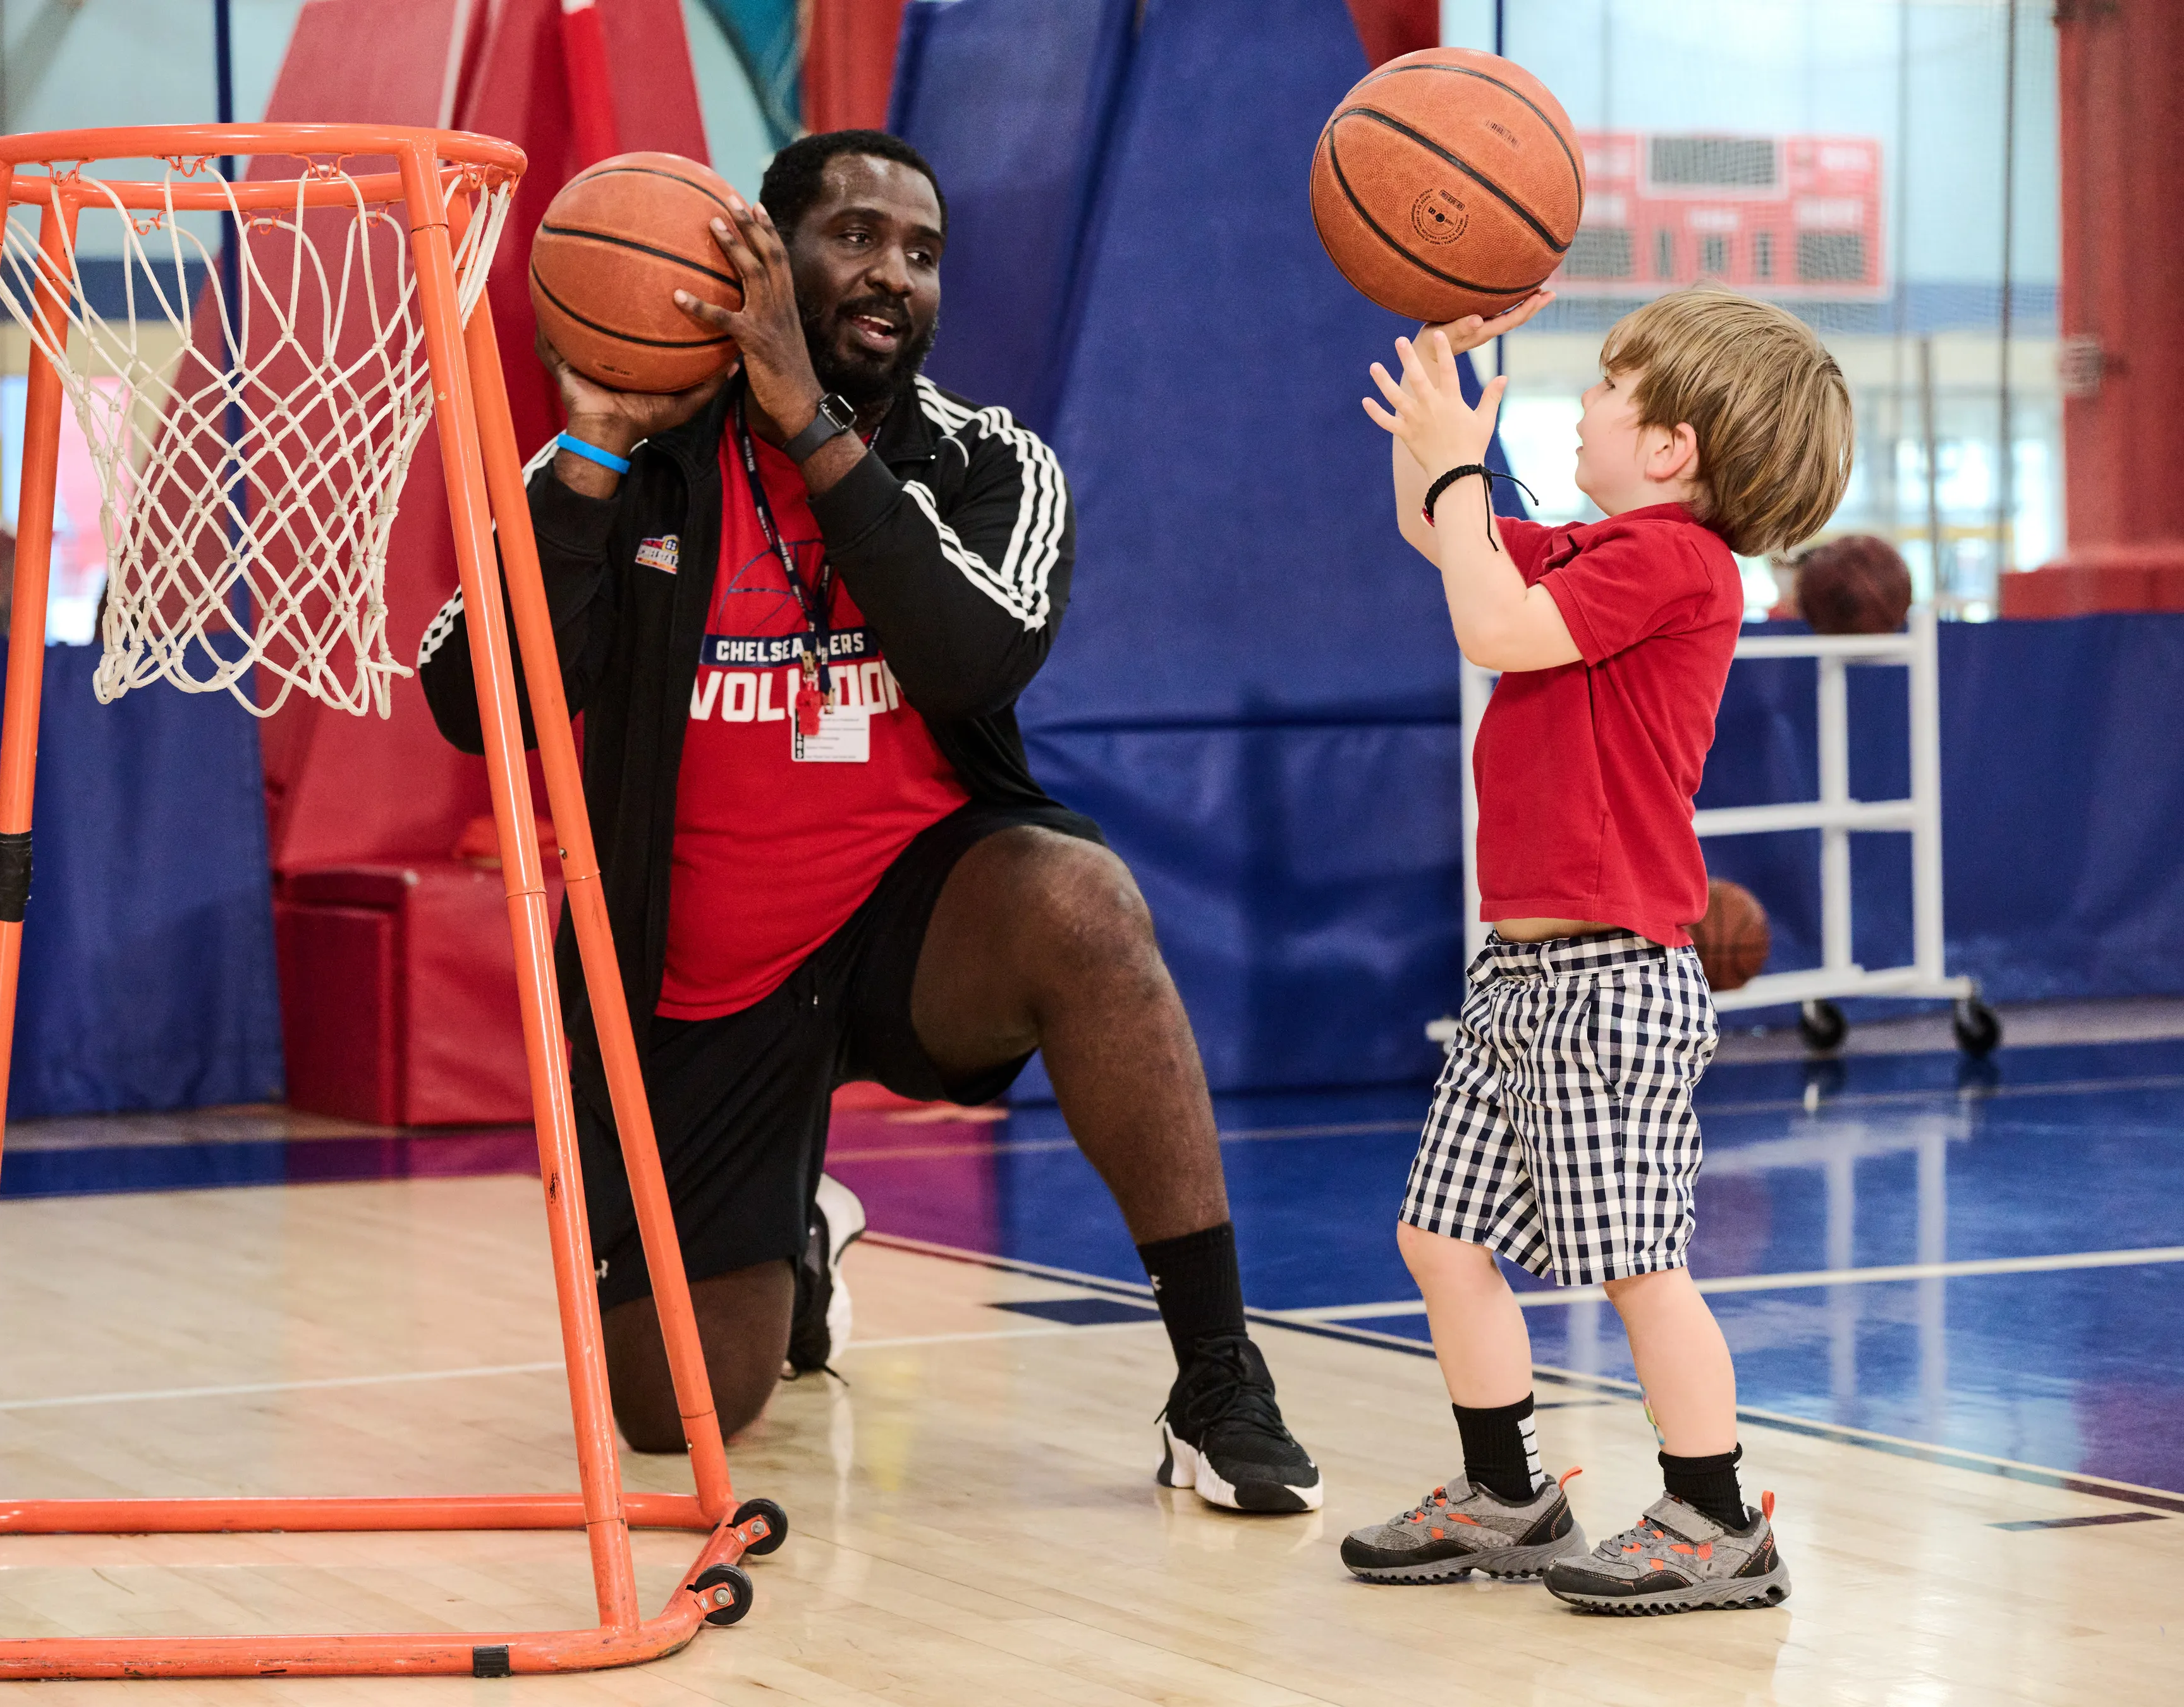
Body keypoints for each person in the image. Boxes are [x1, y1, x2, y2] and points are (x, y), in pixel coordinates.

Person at [418, 130, 1321, 1512]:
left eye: (921, 250)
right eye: (852, 236)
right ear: (762, 262)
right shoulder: (640, 466)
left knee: (1081, 902)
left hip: (916, 921)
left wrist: (811, 426)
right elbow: (471, 706)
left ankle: (1216, 1374)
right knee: (673, 1415)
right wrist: (592, 454)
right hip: (701, 980)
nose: (890, 273)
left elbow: (972, 661)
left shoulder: (990, 464)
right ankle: (798, 1225)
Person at [1342, 283, 1850, 1610]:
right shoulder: (1591, 548)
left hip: (1614, 980)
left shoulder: (1676, 566)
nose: (1584, 402)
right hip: (1521, 977)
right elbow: (1436, 533)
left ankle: (1714, 1511)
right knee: (1438, 1239)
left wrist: (1461, 462)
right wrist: (1439, 398)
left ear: (1674, 448)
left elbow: (1489, 623)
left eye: (1612, 389)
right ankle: (1506, 1489)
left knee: (1640, 1264)